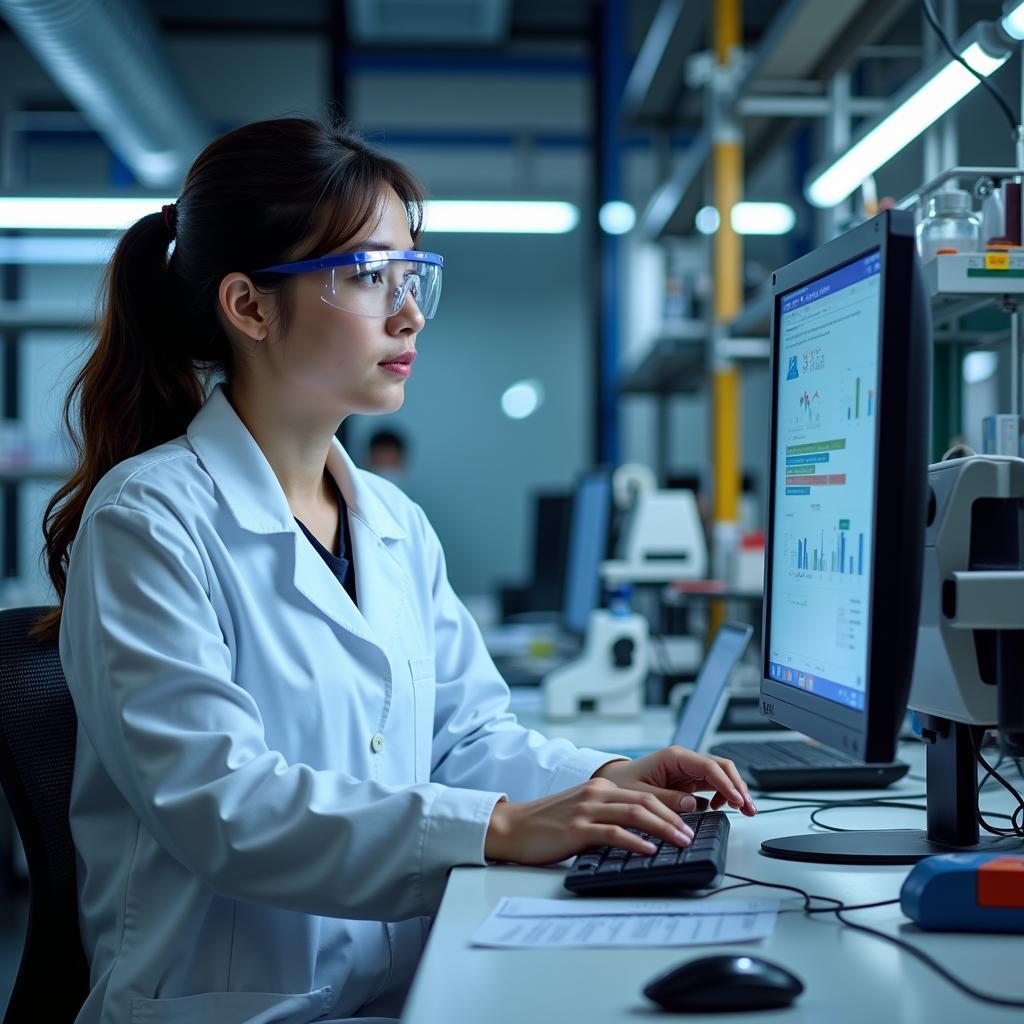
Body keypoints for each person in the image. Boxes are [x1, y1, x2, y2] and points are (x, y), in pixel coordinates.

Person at [35, 117, 757, 1024]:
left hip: (399, 991)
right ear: (250, 308)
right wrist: (498, 827)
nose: (407, 312)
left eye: (413, 276)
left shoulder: (393, 524)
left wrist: (606, 777)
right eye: (368, 277)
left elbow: (464, 736)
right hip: (236, 1007)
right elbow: (223, 803)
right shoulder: (149, 521)